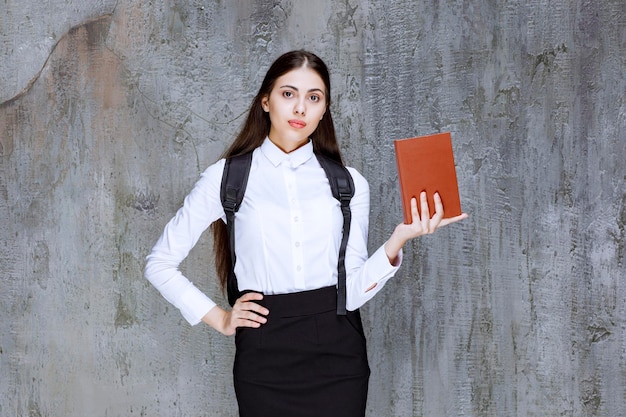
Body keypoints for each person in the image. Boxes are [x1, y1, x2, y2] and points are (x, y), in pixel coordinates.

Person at [144, 50, 467, 417]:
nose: (300, 108)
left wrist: (398, 240)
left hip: (339, 354)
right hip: (263, 356)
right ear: (265, 101)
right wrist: (219, 317)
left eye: (313, 98)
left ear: (324, 109)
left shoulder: (349, 183)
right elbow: (160, 263)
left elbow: (354, 291)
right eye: (288, 94)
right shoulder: (226, 178)